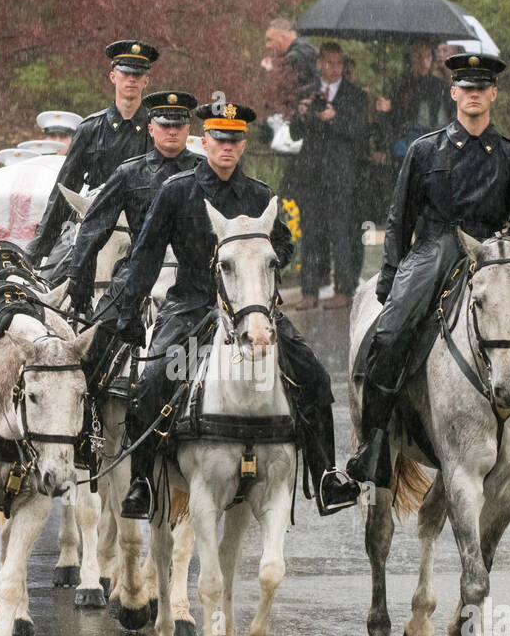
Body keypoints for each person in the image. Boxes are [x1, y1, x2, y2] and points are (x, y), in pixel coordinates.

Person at [347, 53, 510, 491]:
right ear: (454, 92)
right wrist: (389, 280)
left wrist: (507, 245)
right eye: (466, 87)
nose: (474, 95)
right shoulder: (424, 151)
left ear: (494, 94)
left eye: (483, 88)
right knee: (388, 336)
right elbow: (400, 218)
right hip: (436, 250)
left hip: (497, 257)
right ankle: (375, 446)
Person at [113, 100, 360, 520]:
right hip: (192, 302)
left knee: (314, 377)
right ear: (205, 141)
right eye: (219, 139)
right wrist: (126, 312)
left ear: (243, 145)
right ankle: (141, 482)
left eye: (235, 139)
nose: (227, 147)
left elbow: (284, 243)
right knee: (154, 379)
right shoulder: (177, 191)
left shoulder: (259, 195)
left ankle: (326, 476)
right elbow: (146, 254)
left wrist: (263, 258)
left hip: (252, 307)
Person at [66, 90, 202, 387]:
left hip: (195, 272)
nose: (172, 131)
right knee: (92, 346)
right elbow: (94, 226)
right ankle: (88, 420)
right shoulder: (129, 173)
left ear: (188, 129)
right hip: (138, 269)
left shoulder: (205, 171)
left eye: (178, 125)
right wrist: (79, 283)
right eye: (165, 124)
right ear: (151, 127)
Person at [28, 41, 157, 263]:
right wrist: (39, 247)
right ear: (112, 76)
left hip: (143, 230)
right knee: (52, 278)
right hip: (92, 222)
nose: (131, 79)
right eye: (125, 73)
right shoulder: (90, 129)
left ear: (146, 80)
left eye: (138, 74)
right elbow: (65, 188)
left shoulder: (156, 131)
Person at [288, 41, 369, 310]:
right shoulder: (307, 93)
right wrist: (302, 115)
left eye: (339, 63)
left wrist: (334, 118)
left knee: (341, 232)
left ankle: (344, 289)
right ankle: (309, 291)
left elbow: (359, 132)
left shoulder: (355, 95)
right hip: (311, 174)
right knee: (310, 233)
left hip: (340, 175)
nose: (334, 68)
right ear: (320, 62)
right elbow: (294, 134)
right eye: (329, 62)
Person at [261, 18, 319, 112]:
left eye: (270, 40)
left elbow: (286, 93)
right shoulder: (306, 49)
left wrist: (271, 70)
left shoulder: (294, 57)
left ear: (283, 38)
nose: (267, 45)